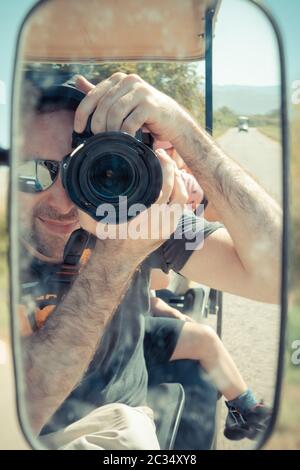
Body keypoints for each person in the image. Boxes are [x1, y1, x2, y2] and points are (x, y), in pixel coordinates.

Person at [18, 73, 281, 448]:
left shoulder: (130, 215)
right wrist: (116, 259)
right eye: (33, 172)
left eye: (85, 172)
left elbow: (284, 275)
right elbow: (23, 411)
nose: (62, 202)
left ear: (117, 171)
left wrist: (186, 134)